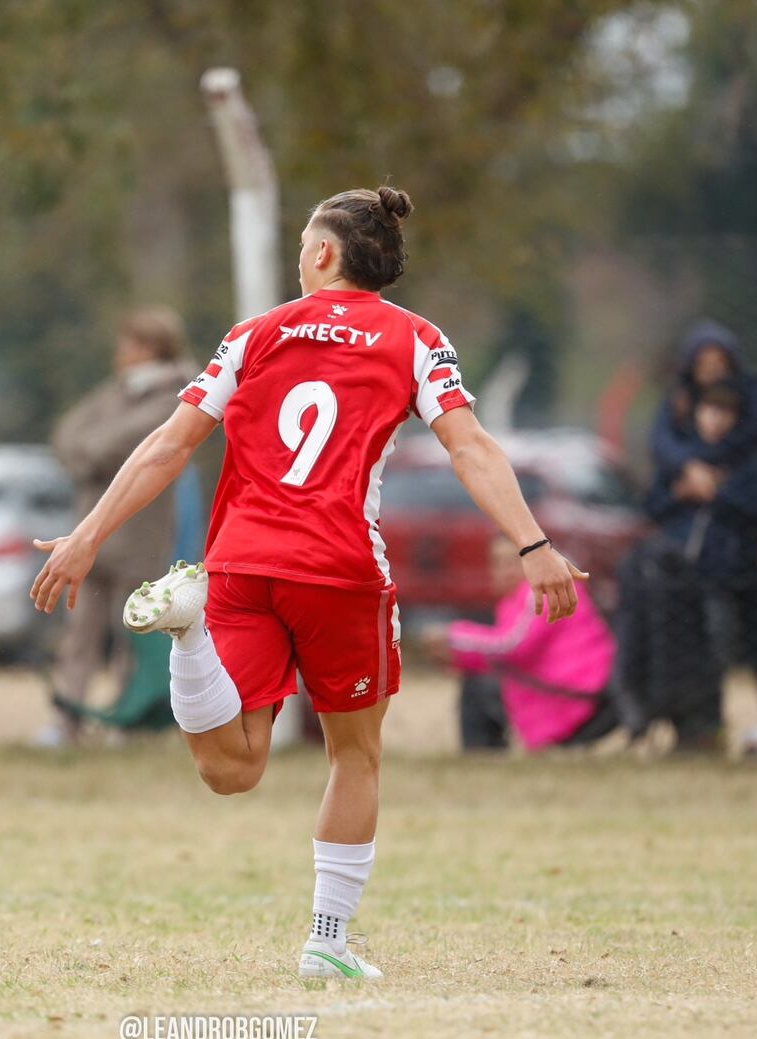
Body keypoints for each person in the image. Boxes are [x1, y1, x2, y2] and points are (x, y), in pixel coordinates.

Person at [30, 186, 584, 980]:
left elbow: (168, 444)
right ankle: (327, 942)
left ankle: (187, 633)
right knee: (353, 756)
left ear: (324, 254)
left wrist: (87, 537)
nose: (298, 255)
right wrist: (532, 542)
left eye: (302, 244)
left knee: (232, 770)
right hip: (338, 572)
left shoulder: (252, 335)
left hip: (241, 564)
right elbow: (472, 449)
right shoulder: (417, 339)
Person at [41, 307, 196, 747]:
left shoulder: (176, 397)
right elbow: (68, 434)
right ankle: (65, 723)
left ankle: (126, 724)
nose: (120, 352)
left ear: (150, 347)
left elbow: (113, 446)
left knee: (136, 637)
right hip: (87, 538)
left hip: (140, 540)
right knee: (79, 637)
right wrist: (88, 451)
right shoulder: (116, 391)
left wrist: (89, 452)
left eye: (129, 344)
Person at [647, 383, 757, 751]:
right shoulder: (683, 459)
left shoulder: (748, 459)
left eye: (724, 412)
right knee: (710, 654)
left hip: (745, 573)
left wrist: (716, 493)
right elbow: (654, 505)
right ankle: (709, 725)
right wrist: (683, 493)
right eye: (709, 410)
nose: (715, 419)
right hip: (698, 576)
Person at [424, 536, 617, 751]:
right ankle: (483, 757)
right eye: (497, 563)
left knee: (479, 686)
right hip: (572, 694)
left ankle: (481, 758)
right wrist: (462, 658)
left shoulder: (540, 592)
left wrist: (453, 637)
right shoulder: (522, 597)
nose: (503, 571)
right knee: (479, 680)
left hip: (572, 700)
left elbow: (512, 647)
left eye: (512, 562)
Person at [650, 320, 757, 503]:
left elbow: (751, 433)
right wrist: (689, 466)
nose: (711, 370)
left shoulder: (748, 396)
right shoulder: (680, 397)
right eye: (704, 363)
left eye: (718, 363)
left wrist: (708, 468)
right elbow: (661, 440)